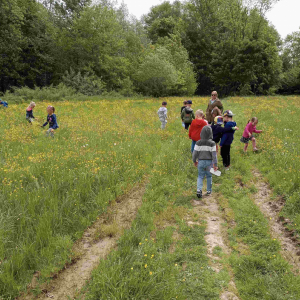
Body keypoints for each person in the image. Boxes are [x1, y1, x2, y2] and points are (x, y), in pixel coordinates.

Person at [192, 125, 218, 199]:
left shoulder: (198, 143)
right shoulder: (212, 143)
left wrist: (194, 161)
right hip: (209, 163)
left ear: (201, 133)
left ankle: (199, 190)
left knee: (200, 176)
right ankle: (209, 190)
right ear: (211, 134)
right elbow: (214, 155)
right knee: (209, 176)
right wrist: (215, 164)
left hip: (200, 162)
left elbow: (194, 153)